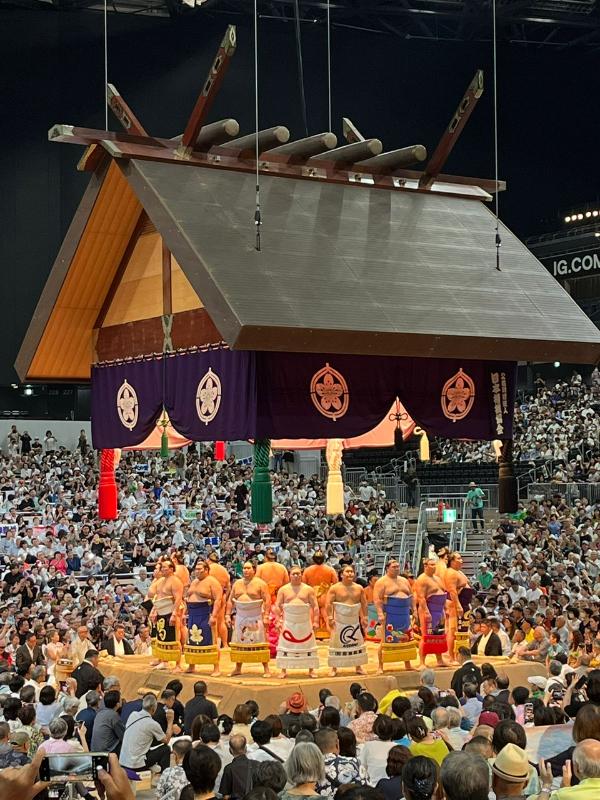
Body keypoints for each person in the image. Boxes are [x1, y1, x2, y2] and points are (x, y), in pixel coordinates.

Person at [226, 562, 271, 676]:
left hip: (255, 616)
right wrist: (227, 615)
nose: (245, 570)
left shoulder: (261, 584)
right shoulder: (237, 583)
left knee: (259, 642)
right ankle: (238, 668)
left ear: (254, 570)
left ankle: (266, 668)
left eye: (248, 568)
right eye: (244, 568)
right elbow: (230, 600)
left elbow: (267, 600)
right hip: (240, 616)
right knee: (239, 642)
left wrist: (266, 616)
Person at [274, 565, 320, 678]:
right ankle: (283, 670)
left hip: (305, 622)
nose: (296, 576)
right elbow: (277, 606)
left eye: (298, 573)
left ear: (301, 575)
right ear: (289, 575)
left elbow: (315, 606)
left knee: (308, 645)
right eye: (293, 574)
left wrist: (316, 621)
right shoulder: (283, 589)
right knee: (286, 645)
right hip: (288, 622)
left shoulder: (308, 589)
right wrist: (278, 620)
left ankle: (311, 669)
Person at [373, 559, 417, 672]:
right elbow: (377, 599)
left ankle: (407, 664)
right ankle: (380, 666)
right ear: (387, 568)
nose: (397, 568)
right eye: (394, 567)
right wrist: (380, 613)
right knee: (385, 640)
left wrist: (414, 610)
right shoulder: (382, 582)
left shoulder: (404, 580)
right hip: (390, 614)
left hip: (404, 613)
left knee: (406, 639)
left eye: (398, 566)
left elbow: (411, 596)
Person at [326, 565, 368, 676]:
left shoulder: (359, 588)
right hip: (339, 620)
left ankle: (358, 666)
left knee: (356, 642)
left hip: (354, 620)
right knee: (336, 643)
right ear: (341, 574)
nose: (350, 573)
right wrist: (330, 617)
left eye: (352, 572)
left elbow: (364, 603)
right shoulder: (335, 588)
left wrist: (365, 617)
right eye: (347, 571)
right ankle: (334, 668)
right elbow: (328, 604)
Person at [119, 692, 174, 774]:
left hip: (123, 762)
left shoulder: (133, 715)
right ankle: (165, 776)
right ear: (154, 709)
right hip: (136, 765)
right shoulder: (152, 724)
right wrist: (170, 721)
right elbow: (166, 740)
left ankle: (151, 767)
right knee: (166, 749)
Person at [184, 559, 222, 676]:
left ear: (206, 570)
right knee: (192, 641)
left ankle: (216, 667)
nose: (197, 571)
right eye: (196, 569)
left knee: (211, 640)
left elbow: (218, 600)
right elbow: (188, 597)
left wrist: (214, 616)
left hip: (205, 612)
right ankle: (192, 665)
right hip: (193, 614)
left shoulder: (212, 582)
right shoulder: (194, 582)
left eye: (199, 569)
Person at [147, 558, 184, 670]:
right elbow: (156, 597)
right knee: (162, 637)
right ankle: (164, 661)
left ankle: (178, 664)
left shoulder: (175, 581)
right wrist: (154, 611)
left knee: (175, 638)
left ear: (171, 569)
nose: (162, 569)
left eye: (164, 567)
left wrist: (174, 614)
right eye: (162, 567)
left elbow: (178, 598)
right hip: (161, 611)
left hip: (171, 611)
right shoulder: (160, 581)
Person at [414, 557, 448, 668]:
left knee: (439, 636)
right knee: (426, 636)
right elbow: (421, 597)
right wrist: (426, 612)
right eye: (431, 565)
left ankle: (440, 660)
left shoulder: (438, 579)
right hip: (428, 610)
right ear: (425, 566)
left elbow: (442, 594)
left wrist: (444, 609)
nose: (434, 567)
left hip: (439, 610)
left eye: (435, 565)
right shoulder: (422, 579)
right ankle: (422, 662)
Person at [444, 552, 473, 664]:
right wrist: (458, 605)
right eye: (459, 558)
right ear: (452, 561)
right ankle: (451, 657)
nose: (461, 560)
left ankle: (459, 655)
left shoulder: (458, 572)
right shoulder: (451, 573)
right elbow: (452, 591)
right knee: (453, 630)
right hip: (456, 604)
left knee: (461, 631)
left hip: (463, 603)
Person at [302, 553, 338, 638]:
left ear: (313, 559)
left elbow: (303, 585)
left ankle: (310, 638)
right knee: (327, 617)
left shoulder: (307, 570)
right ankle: (332, 637)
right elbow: (336, 584)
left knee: (311, 617)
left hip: (312, 595)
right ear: (324, 559)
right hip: (325, 596)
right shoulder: (330, 570)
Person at [359, 714, 396, 785]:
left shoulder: (368, 746)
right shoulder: (398, 748)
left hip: (372, 786)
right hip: (391, 786)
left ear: (375, 729)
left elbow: (363, 766)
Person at [219, 734, 256, 800]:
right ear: (246, 749)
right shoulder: (256, 764)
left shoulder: (229, 768)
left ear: (230, 750)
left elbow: (226, 796)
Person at [91, 690, 125, 754]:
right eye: (120, 699)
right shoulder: (113, 715)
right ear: (117, 704)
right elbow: (123, 736)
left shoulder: (99, 713)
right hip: (106, 752)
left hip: (94, 750)